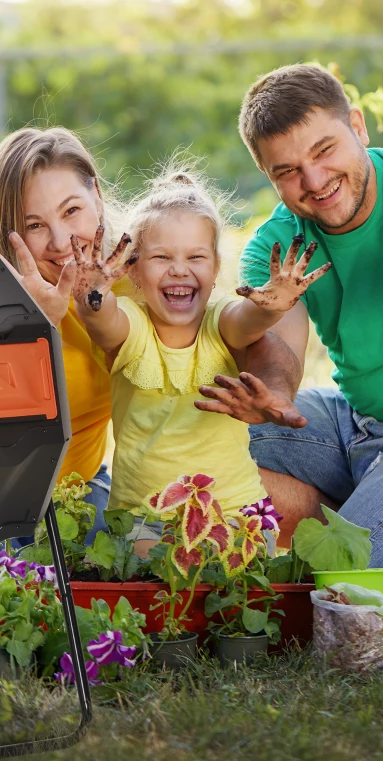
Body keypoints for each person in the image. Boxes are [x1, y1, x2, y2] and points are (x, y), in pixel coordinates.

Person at [195, 63, 383, 568]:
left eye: (324, 151)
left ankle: (378, 534)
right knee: (195, 449)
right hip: (356, 422)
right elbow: (278, 344)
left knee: (346, 581)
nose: (315, 181)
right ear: (269, 176)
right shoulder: (277, 245)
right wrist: (275, 394)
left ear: (359, 126)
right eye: (287, 171)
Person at [66, 165, 328, 554]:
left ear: (215, 268)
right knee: (150, 581)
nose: (179, 269)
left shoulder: (219, 321)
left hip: (238, 517)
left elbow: (247, 320)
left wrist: (274, 306)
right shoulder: (135, 326)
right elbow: (106, 325)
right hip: (144, 521)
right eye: (161, 257)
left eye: (196, 256)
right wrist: (91, 297)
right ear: (134, 270)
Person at [0, 127, 134, 543]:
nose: (62, 241)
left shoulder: (131, 282)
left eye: (71, 211)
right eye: (34, 225)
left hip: (80, 493)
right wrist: (33, 333)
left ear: (96, 196)